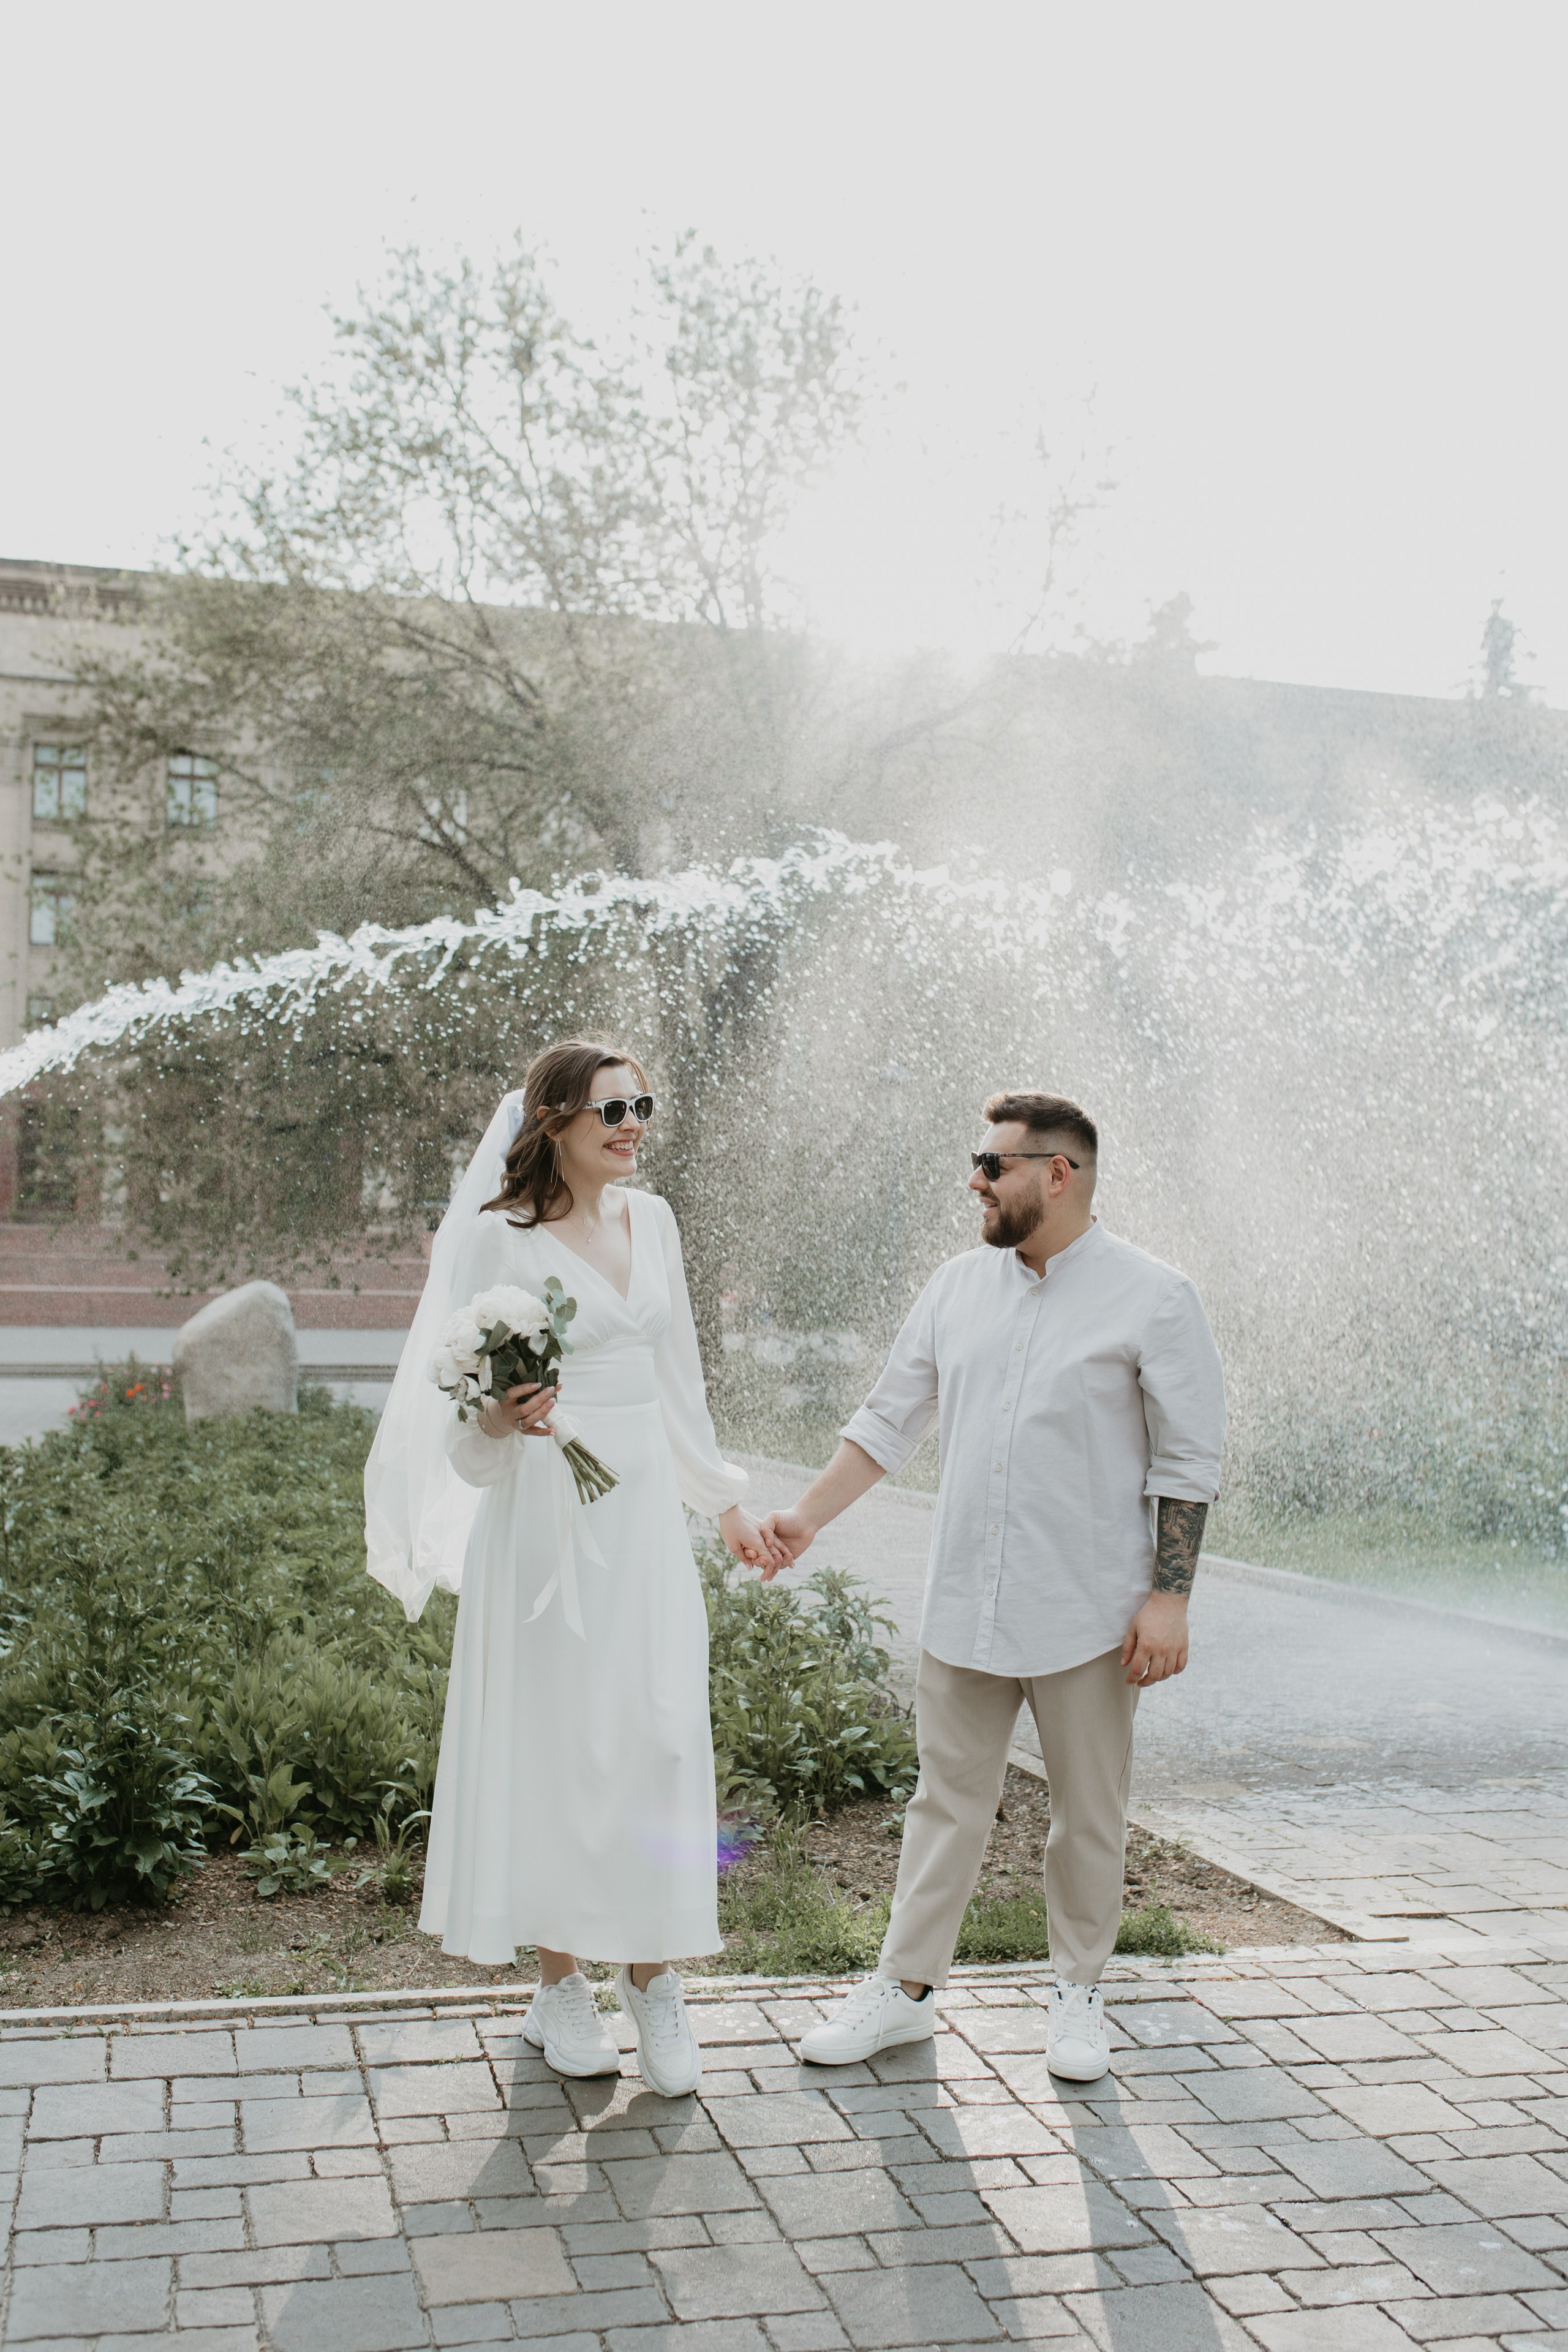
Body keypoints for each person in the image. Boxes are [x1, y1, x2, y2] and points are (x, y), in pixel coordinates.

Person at [760, 1091, 1224, 2081]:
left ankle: (1078, 1996)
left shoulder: (1155, 1295)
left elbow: (1186, 1461)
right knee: (944, 1803)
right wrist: (805, 1517)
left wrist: (1169, 1596)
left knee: (1089, 1813)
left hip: (1090, 1613)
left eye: (994, 1164)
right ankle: (905, 1990)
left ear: (1059, 1173)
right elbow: (887, 1421)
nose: (974, 1180)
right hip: (965, 1597)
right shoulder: (956, 1286)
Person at [364, 1038, 783, 2097]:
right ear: (551, 1122)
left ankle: (656, 1978)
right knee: (554, 1743)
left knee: (658, 1738)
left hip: (642, 1523)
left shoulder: (658, 1222)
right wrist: (503, 1420)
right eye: (612, 1110)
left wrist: (721, 1500)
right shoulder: (497, 1240)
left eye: (642, 1104)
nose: (634, 1123)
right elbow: (460, 1433)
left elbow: (677, 1376)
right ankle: (560, 1984)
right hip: (546, 1522)